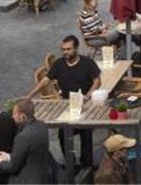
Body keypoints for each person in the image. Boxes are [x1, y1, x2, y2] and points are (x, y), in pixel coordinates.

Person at [25, 35, 101, 169]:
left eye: (68, 49)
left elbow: (97, 81)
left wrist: (88, 95)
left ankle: (86, 164)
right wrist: (30, 95)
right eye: (63, 49)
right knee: (63, 135)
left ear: (76, 49)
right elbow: (45, 80)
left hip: (85, 104)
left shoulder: (87, 63)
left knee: (86, 133)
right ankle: (70, 163)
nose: (65, 52)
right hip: (67, 105)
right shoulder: (59, 64)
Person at [0, 99, 56, 184]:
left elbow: (13, 167)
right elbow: (31, 153)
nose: (13, 117)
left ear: (22, 117)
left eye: (14, 114)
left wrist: (0, 161)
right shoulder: (42, 126)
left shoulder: (22, 137)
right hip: (43, 177)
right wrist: (9, 156)